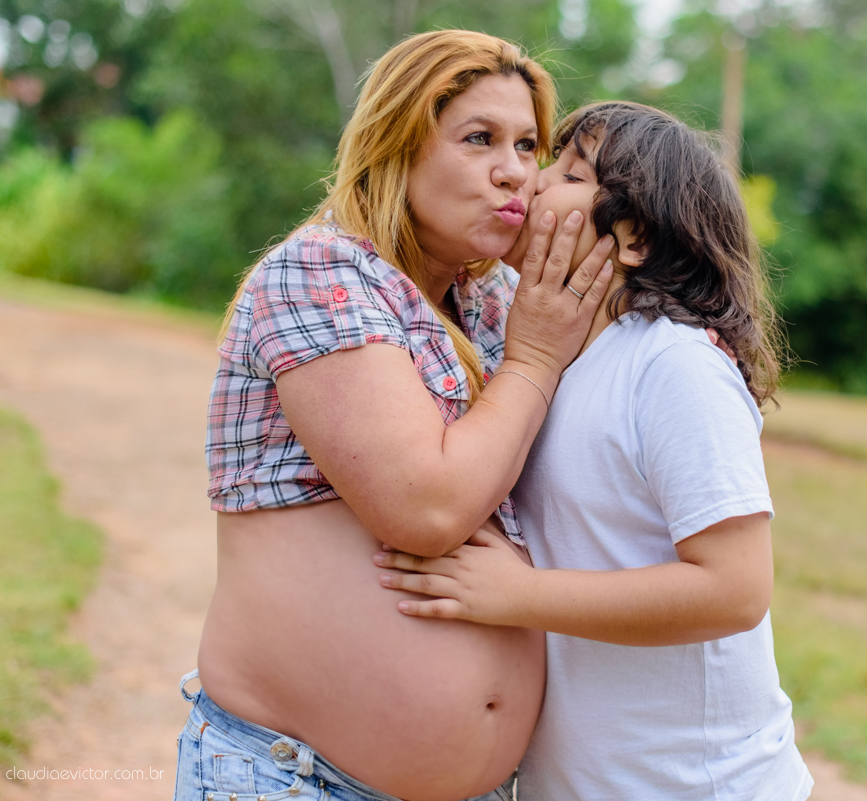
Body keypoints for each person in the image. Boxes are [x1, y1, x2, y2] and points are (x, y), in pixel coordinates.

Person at [178, 31, 613, 801]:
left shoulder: (492, 302)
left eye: (526, 144)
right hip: (296, 779)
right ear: (396, 145)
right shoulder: (321, 271)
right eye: (478, 139)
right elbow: (426, 505)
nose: (514, 170)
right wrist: (536, 359)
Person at [375, 101, 815, 800]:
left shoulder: (672, 363)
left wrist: (520, 595)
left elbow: (735, 587)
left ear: (632, 237)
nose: (530, 179)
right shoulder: (549, 360)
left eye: (570, 172)